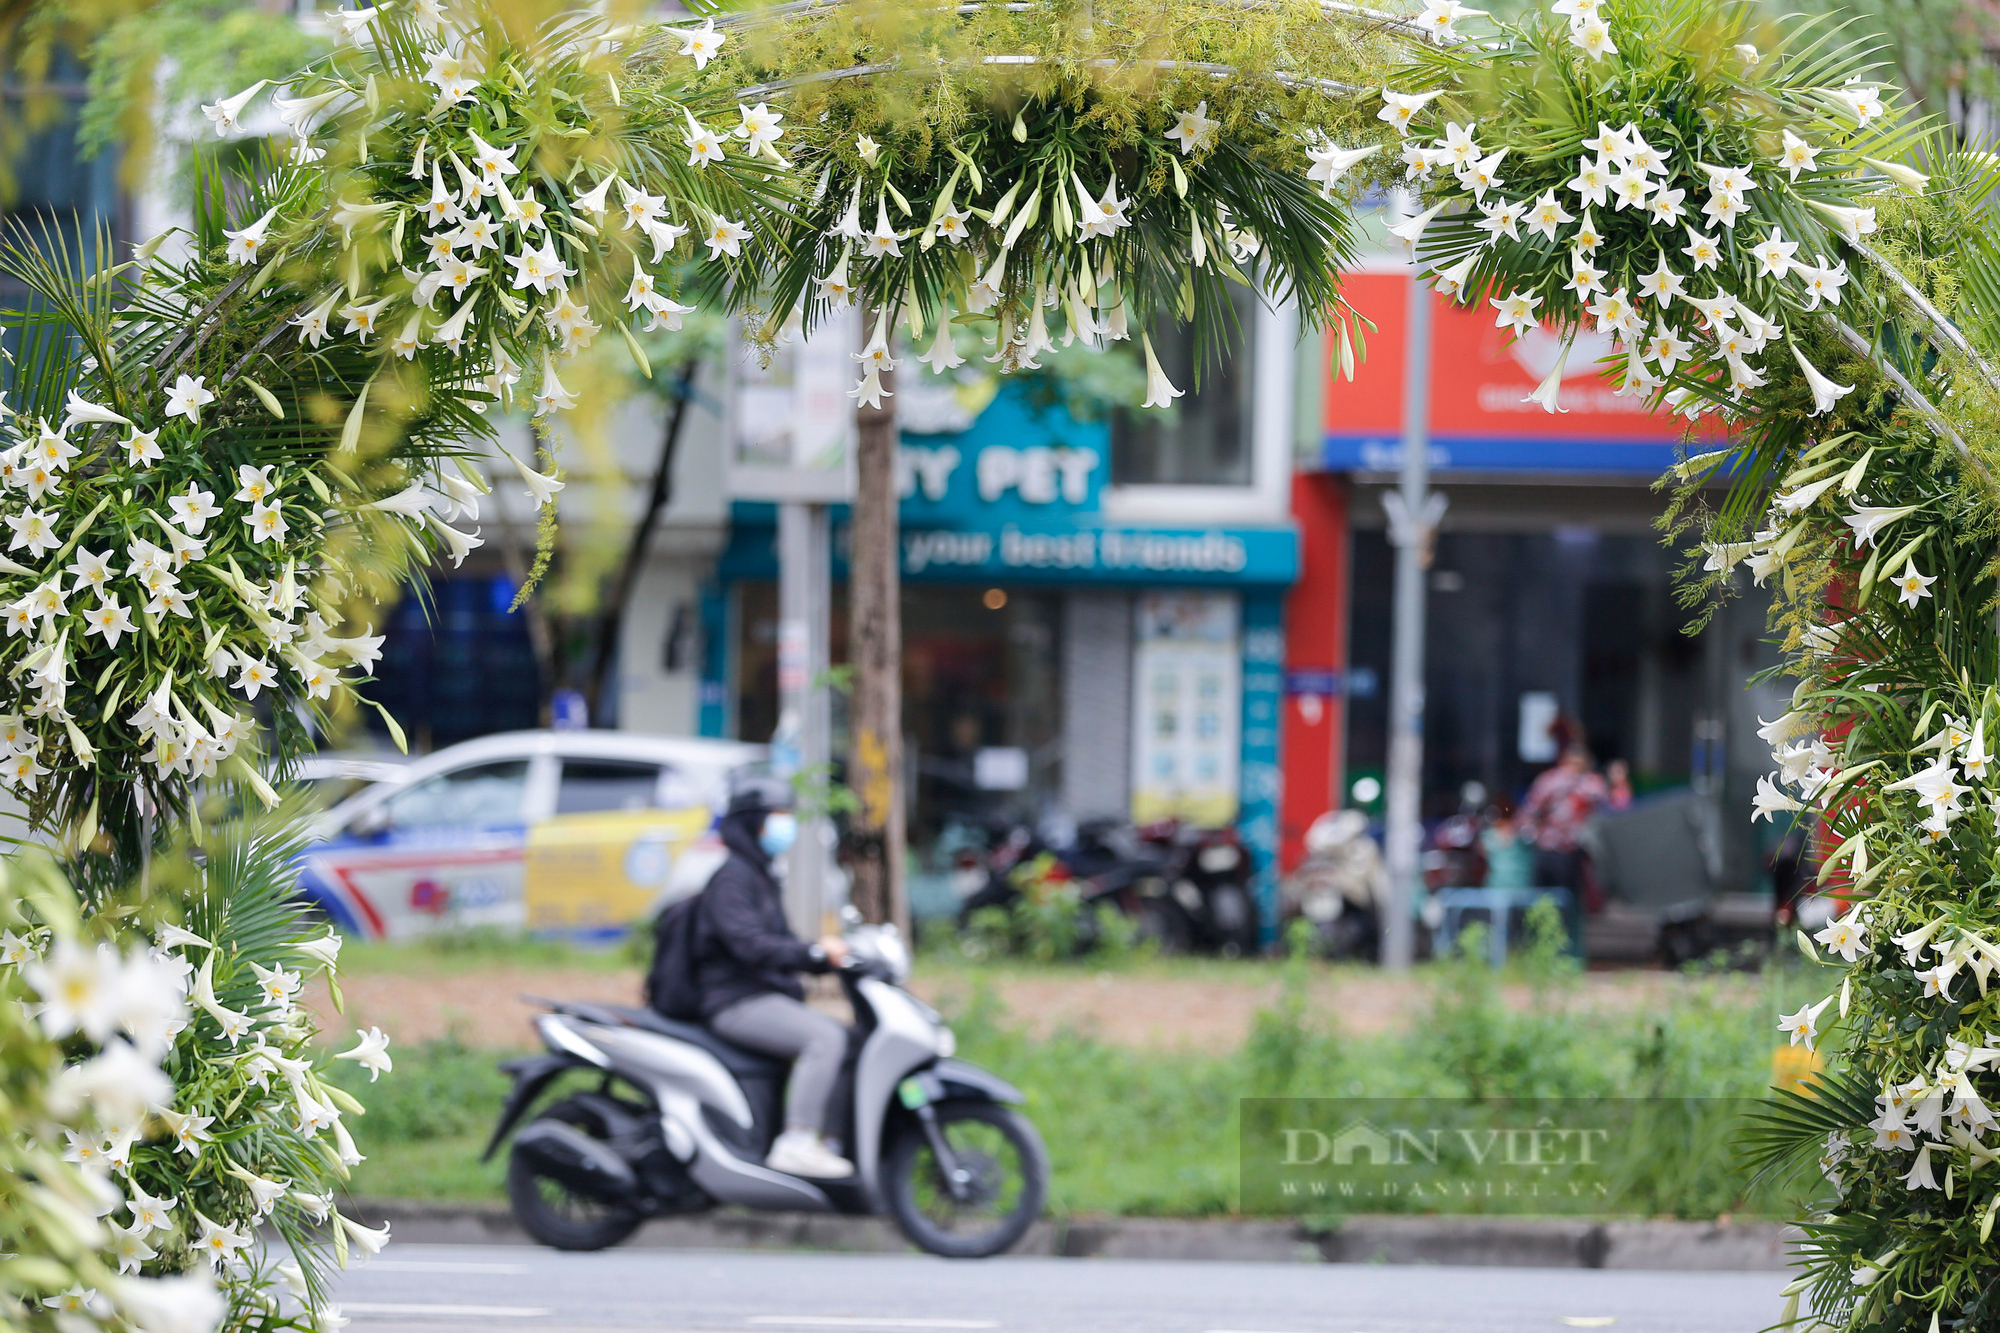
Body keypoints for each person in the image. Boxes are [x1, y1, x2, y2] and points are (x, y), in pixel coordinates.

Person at [693, 773, 856, 1180]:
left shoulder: (759, 874)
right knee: (825, 1038)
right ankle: (797, 1141)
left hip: (759, 995)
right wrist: (814, 952)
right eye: (777, 816)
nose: (785, 825)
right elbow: (750, 945)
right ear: (752, 823)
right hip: (734, 1001)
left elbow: (776, 944)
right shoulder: (732, 878)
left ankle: (831, 1142)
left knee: (848, 1039)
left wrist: (819, 956)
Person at [1520, 742, 1610, 935]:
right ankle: (1559, 943)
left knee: (1547, 901)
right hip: (1564, 850)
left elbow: (1529, 812)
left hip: (1557, 850)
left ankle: (1547, 942)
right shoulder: (1590, 783)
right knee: (1564, 902)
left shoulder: (1550, 780)